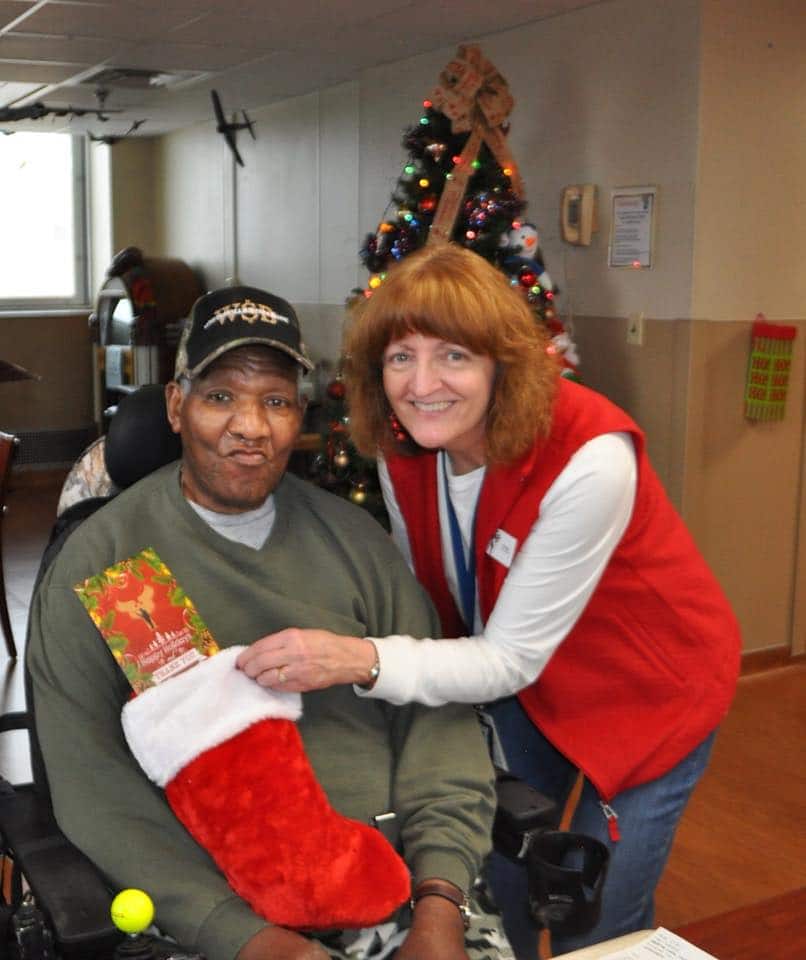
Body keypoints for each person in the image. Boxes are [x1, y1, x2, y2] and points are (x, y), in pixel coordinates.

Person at [236, 246, 743, 957]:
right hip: (529, 685)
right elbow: (425, 596)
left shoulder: (590, 456)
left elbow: (505, 658)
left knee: (590, 918)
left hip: (647, 694)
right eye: (400, 356)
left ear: (502, 364)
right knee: (499, 876)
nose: (422, 384)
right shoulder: (401, 447)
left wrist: (355, 659)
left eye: (454, 356)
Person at [27, 284, 514, 960]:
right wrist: (248, 938)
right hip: (211, 913)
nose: (250, 427)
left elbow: (438, 722)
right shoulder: (106, 564)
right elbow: (94, 790)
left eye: (276, 400)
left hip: (398, 884)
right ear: (176, 405)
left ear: (301, 415)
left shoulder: (357, 544)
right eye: (220, 396)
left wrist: (439, 901)